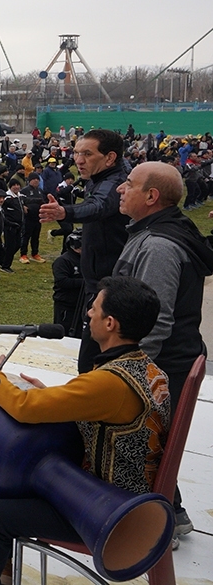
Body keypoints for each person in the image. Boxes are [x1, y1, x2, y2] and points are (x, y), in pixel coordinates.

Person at [0, 276, 169, 584]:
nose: (88, 313)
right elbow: (105, 414)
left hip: (100, 506)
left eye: (95, 308)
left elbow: (25, 406)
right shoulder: (146, 368)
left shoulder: (108, 382)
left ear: (111, 323)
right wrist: (48, 394)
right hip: (129, 495)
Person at [110, 160, 211, 535]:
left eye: (130, 184)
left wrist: (126, 375)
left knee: (140, 449)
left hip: (162, 366)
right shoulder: (157, 233)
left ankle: (151, 532)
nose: (121, 188)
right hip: (169, 364)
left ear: (152, 196)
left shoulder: (160, 247)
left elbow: (155, 320)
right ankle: (172, 513)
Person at [39, 128, 129, 371]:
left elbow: (98, 206)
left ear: (110, 158)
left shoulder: (114, 183)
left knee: (93, 365)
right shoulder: (100, 178)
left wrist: (65, 212)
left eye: (87, 154)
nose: (78, 160)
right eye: (77, 152)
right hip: (99, 282)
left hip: (108, 286)